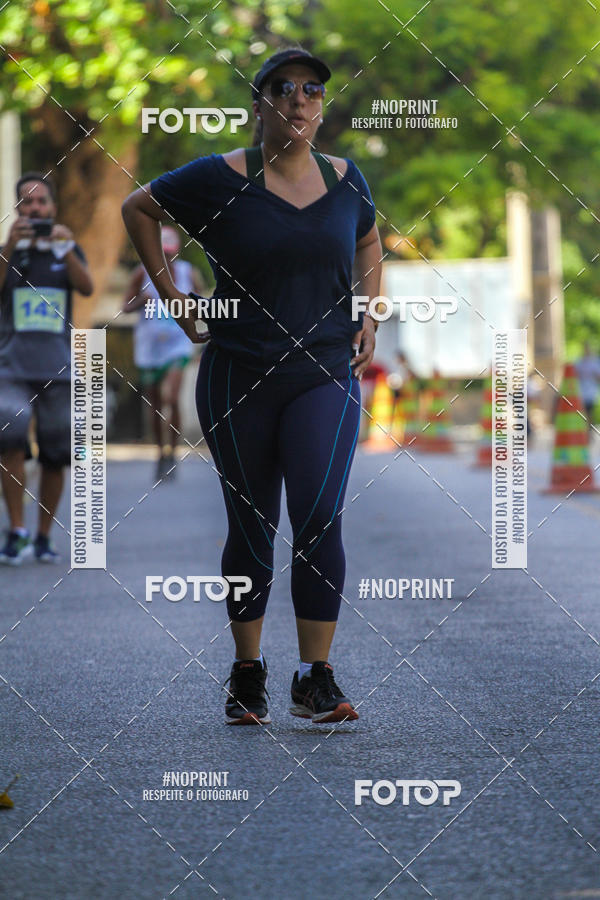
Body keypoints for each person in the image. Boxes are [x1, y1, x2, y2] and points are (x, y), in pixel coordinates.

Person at [122, 47, 382, 725]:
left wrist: (370, 312)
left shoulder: (348, 179)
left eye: (312, 91)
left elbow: (369, 241)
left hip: (323, 368)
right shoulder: (216, 178)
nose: (299, 100)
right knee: (252, 523)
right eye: (284, 89)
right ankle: (247, 670)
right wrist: (173, 298)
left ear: (322, 108)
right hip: (238, 372)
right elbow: (137, 207)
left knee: (320, 511)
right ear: (259, 104)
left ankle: (313, 675)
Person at [0, 172, 93, 564]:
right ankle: (17, 531)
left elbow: (86, 286)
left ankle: (42, 536)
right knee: (11, 434)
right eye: (26, 202)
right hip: (11, 368)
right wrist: (9, 247)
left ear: (53, 209)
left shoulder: (65, 248)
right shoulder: (9, 251)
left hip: (59, 369)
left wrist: (67, 247)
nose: (34, 208)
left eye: (41, 203)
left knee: (57, 451)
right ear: (17, 208)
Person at [121, 226, 204, 480]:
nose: (166, 259)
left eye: (169, 254)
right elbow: (124, 308)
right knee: (156, 404)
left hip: (178, 344)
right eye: (161, 253)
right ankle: (161, 454)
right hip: (150, 347)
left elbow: (204, 304)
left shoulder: (189, 273)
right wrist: (141, 301)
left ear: (176, 252)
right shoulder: (141, 274)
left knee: (171, 395)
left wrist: (192, 307)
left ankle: (174, 451)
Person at [575, 342, 600, 429]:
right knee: (583, 412)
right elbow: (574, 376)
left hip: (591, 392)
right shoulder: (579, 362)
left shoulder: (594, 362)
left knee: (589, 411)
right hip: (581, 391)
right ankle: (585, 430)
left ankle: (589, 429)